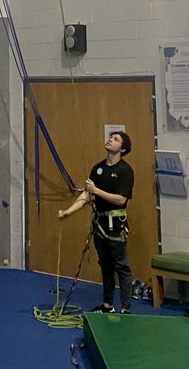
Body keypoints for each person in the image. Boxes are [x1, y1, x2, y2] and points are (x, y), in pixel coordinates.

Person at [58, 130, 135, 313]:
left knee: (121, 266)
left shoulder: (125, 171)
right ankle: (107, 304)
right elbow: (86, 194)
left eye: (115, 139)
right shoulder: (98, 168)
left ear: (122, 148)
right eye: (110, 137)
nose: (110, 140)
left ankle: (125, 307)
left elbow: (121, 200)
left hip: (115, 225)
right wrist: (68, 212)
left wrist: (97, 191)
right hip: (99, 224)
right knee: (105, 265)